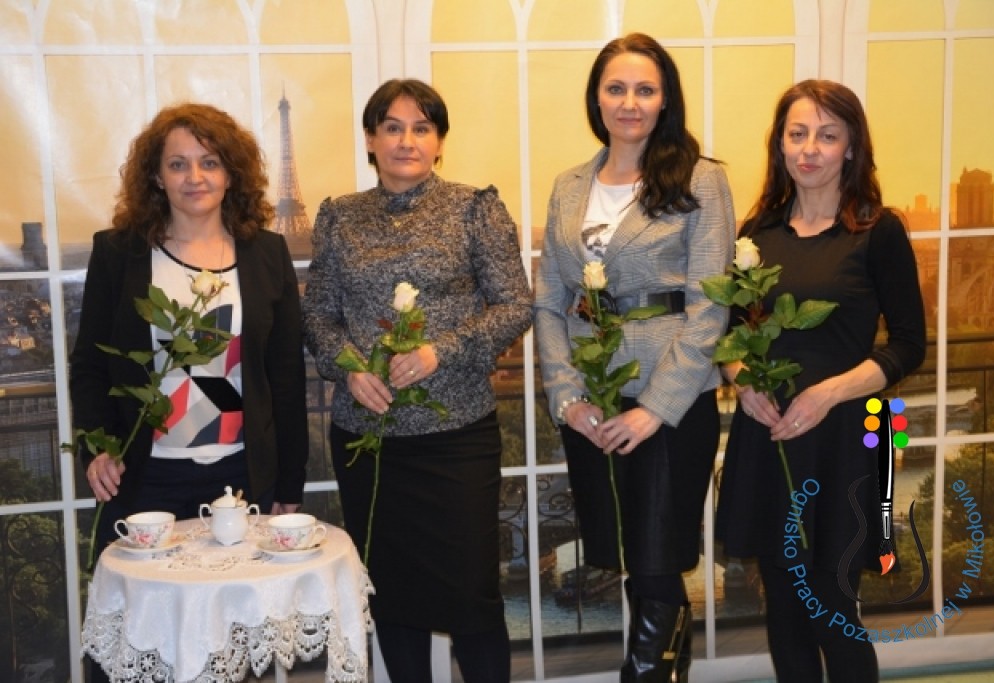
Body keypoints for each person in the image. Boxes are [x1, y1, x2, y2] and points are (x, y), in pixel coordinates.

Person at [302, 79, 531, 683]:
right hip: (368, 441)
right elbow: (317, 315)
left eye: (422, 128)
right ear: (370, 140)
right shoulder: (338, 216)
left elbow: (515, 305)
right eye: (393, 127)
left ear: (440, 142)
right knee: (391, 596)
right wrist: (349, 367)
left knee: (473, 599)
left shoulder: (475, 208)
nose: (407, 140)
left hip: (456, 439)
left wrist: (440, 353)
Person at [534, 33, 735, 681]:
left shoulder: (702, 179)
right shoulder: (569, 185)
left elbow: (710, 305)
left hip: (669, 402)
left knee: (656, 558)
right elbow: (549, 303)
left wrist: (654, 408)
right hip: (592, 402)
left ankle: (643, 673)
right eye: (616, 88)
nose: (629, 102)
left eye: (645, 89)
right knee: (629, 557)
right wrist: (568, 397)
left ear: (665, 99)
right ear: (596, 97)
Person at [715, 80, 926, 683]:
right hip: (771, 438)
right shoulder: (757, 233)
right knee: (783, 609)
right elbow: (729, 334)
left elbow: (909, 343)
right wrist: (742, 381)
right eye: (798, 133)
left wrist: (829, 392)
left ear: (851, 147)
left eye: (827, 136)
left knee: (832, 608)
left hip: (844, 442)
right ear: (780, 144)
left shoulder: (878, 230)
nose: (810, 149)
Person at [71, 102, 308, 554]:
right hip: (143, 478)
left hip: (242, 478)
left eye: (210, 163)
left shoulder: (266, 253)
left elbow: (285, 377)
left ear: (231, 174)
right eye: (178, 164)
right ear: (157, 177)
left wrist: (290, 481)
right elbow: (90, 365)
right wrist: (96, 448)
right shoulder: (119, 254)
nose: (194, 177)